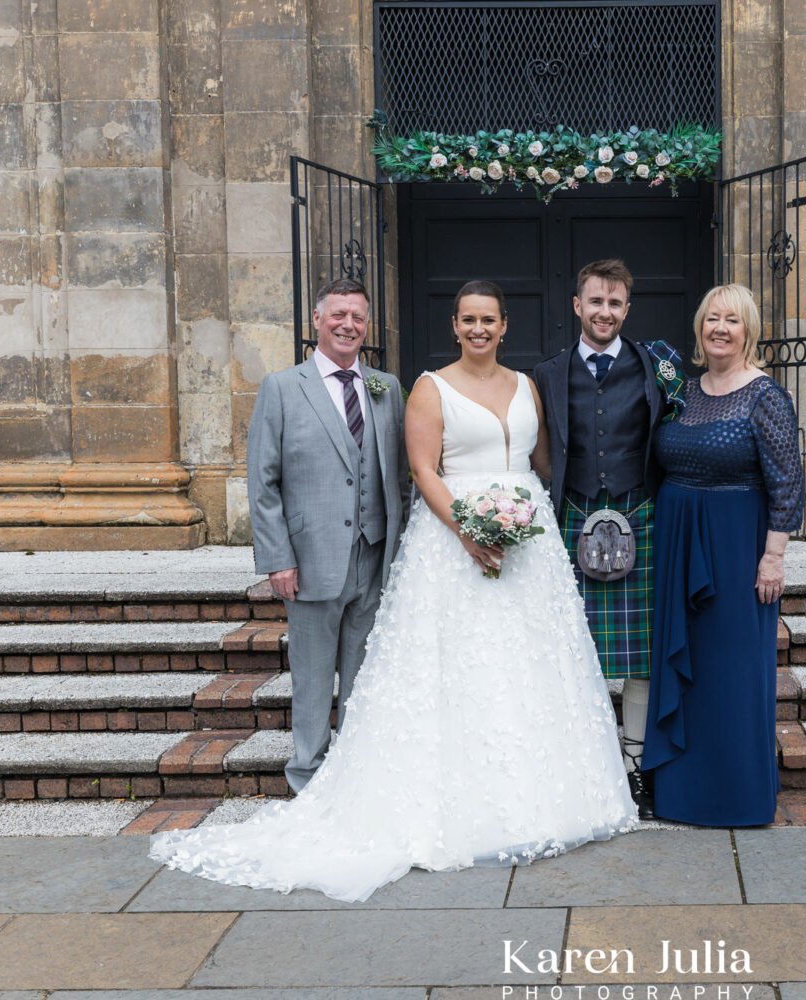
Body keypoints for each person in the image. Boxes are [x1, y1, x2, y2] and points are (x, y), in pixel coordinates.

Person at [150, 280, 636, 902]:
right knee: (425, 669)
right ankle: (321, 777)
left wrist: (561, 514)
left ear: (505, 325)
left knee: (527, 670)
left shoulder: (517, 385)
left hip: (526, 549)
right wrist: (467, 530)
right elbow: (420, 469)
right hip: (446, 543)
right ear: (454, 326)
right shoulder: (422, 388)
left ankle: (540, 797)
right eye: (468, 319)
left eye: (489, 319)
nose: (479, 329)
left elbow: (544, 462)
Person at [641, 283, 804, 827]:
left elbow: (787, 484)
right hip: (678, 541)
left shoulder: (765, 395)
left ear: (748, 331)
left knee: (734, 672)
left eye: (732, 320)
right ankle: (680, 795)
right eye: (712, 318)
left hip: (737, 550)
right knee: (685, 668)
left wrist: (773, 557)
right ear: (699, 328)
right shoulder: (683, 392)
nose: (720, 329)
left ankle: (736, 796)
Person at [243, 276, 408, 793]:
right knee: (313, 679)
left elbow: (400, 474)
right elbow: (262, 480)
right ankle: (307, 778)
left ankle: (355, 779)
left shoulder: (386, 388)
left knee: (364, 678)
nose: (348, 325)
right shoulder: (282, 388)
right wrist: (277, 558)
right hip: (310, 559)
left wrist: (400, 551)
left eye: (358, 317)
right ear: (317, 320)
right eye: (338, 314)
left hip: (373, 555)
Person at [535, 259, 682, 818]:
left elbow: (685, 426)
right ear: (577, 305)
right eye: (595, 301)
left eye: (615, 303)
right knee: (582, 653)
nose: (604, 312)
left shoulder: (657, 365)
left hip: (640, 515)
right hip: (573, 516)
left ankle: (635, 768)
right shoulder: (547, 374)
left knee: (640, 658)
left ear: (627, 309)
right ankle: (593, 767)